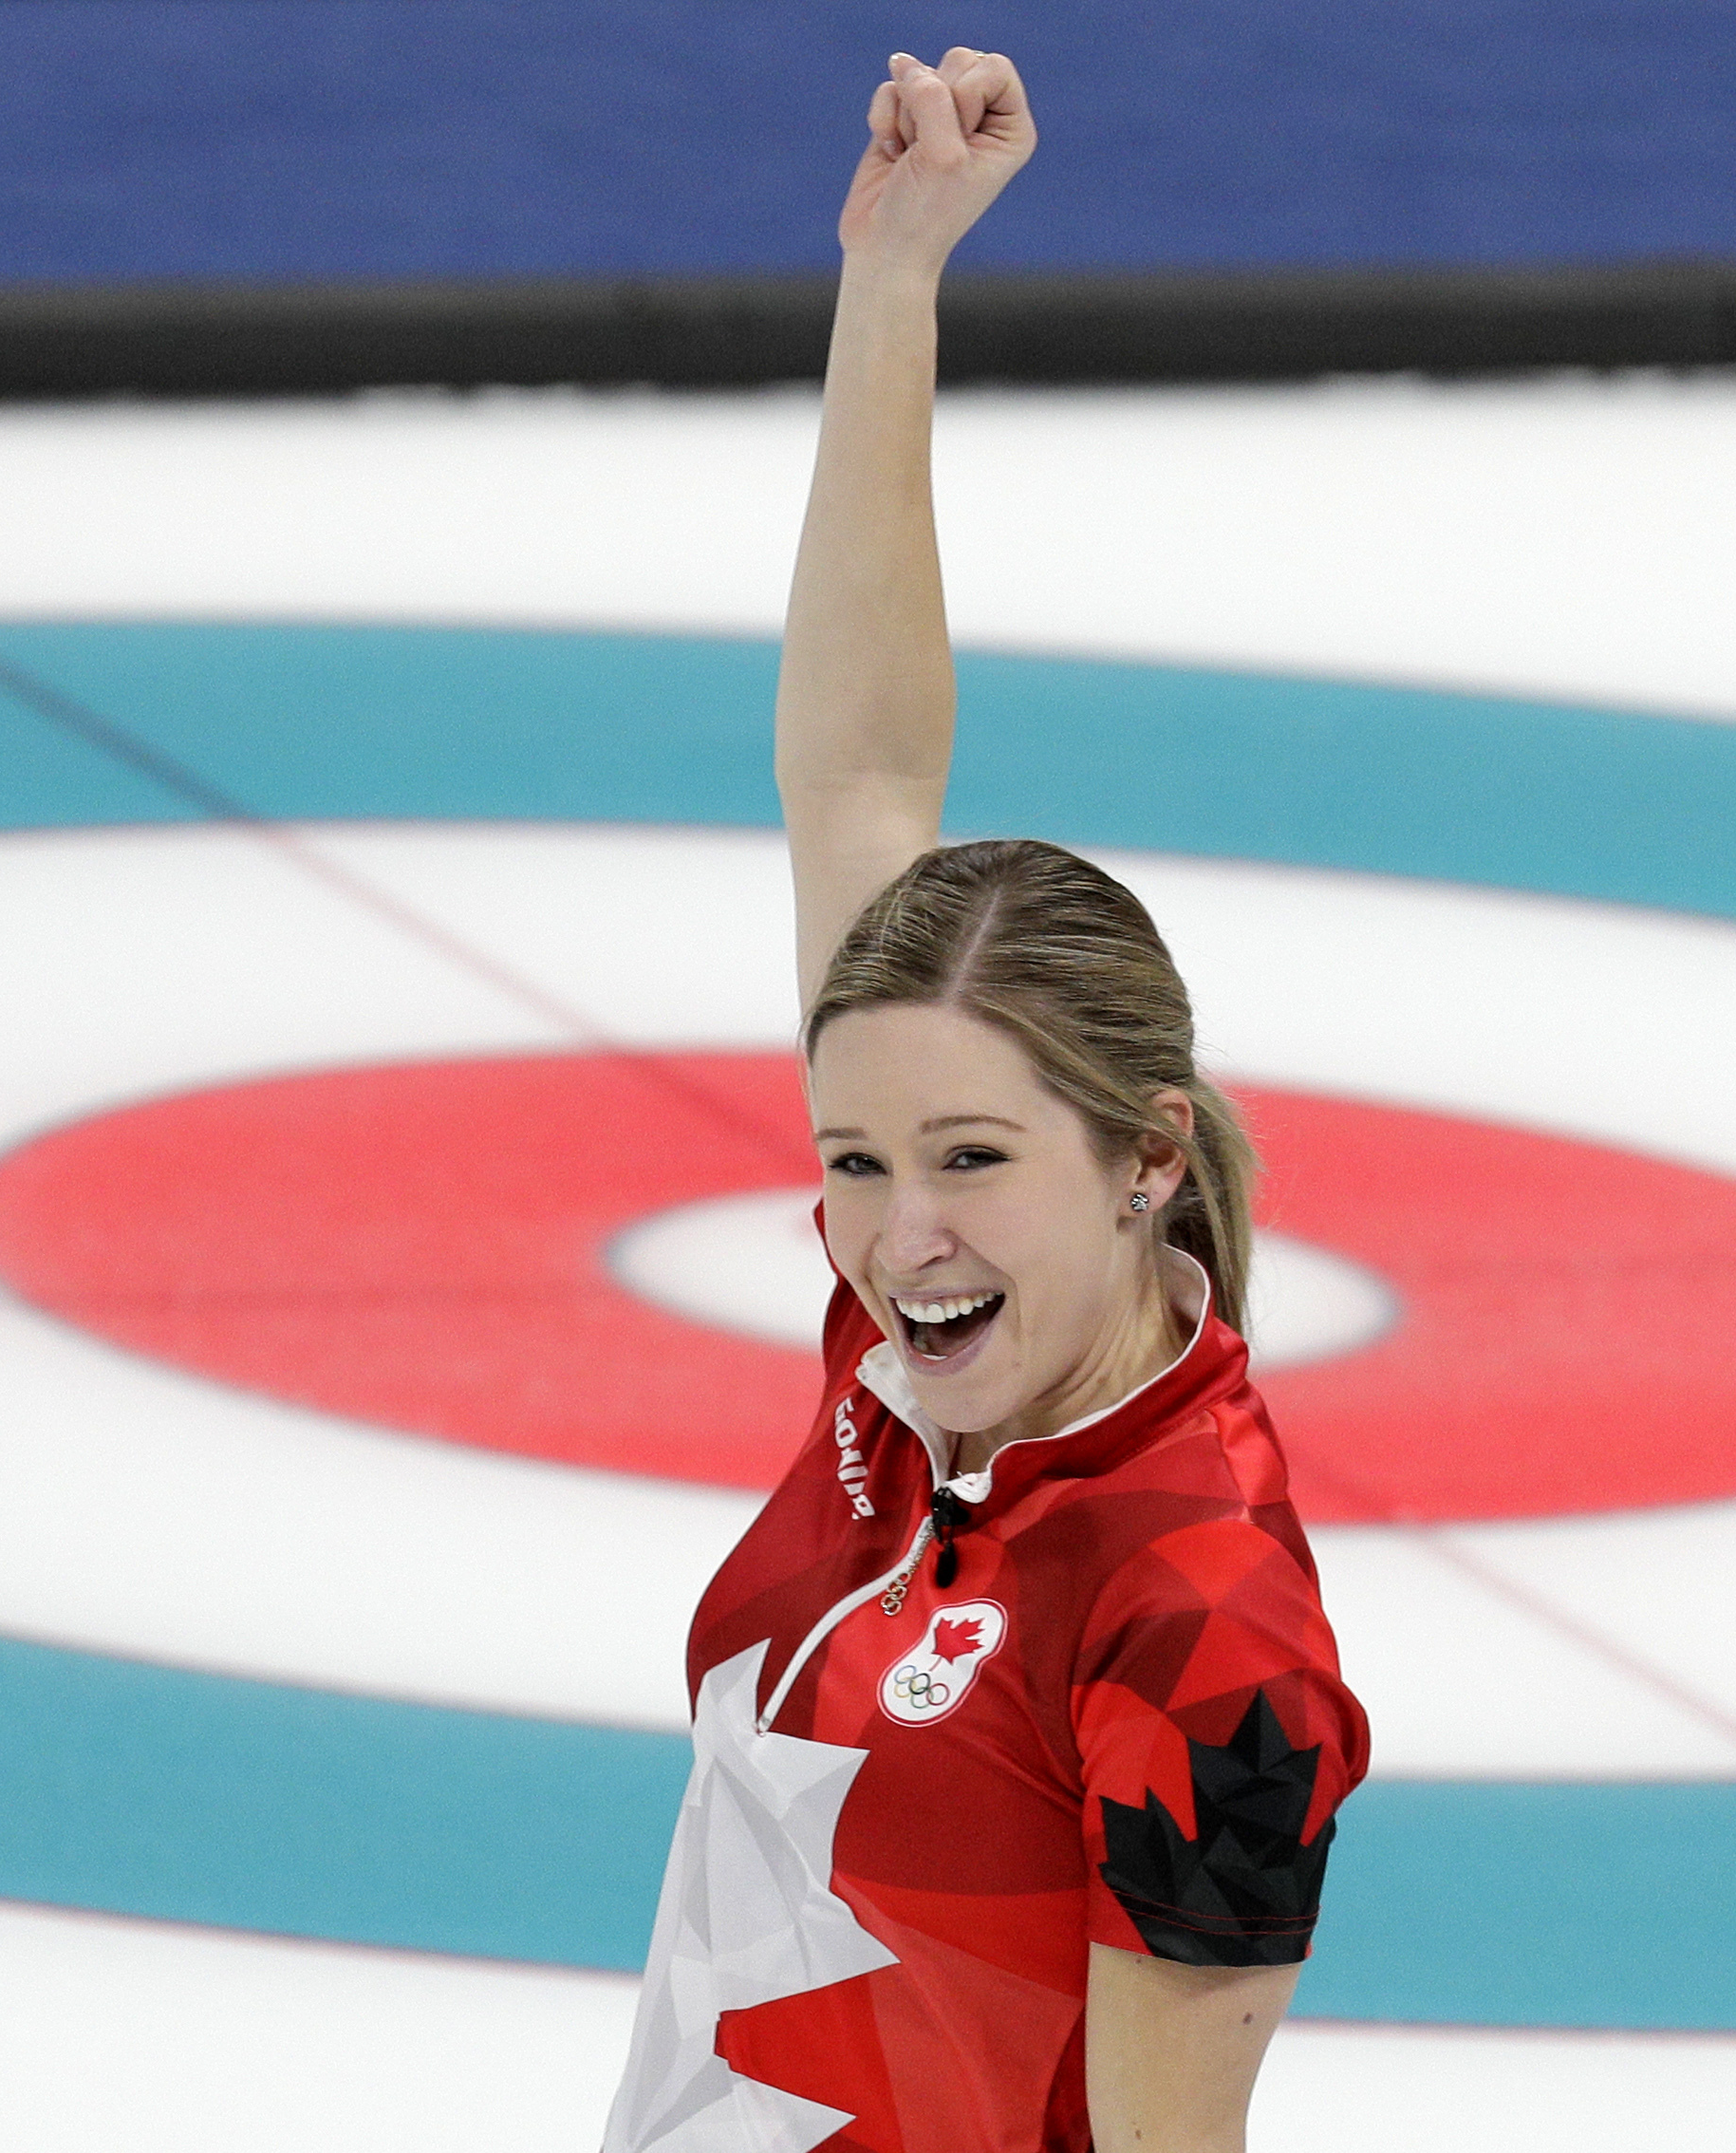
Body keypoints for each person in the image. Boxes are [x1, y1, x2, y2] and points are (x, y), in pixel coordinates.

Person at [598, 47, 1369, 2153]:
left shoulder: (1200, 1623)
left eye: (967, 1163)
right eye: (853, 1162)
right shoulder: (924, 1366)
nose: (893, 1231)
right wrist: (893, 277)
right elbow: (857, 777)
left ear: (1143, 1156)